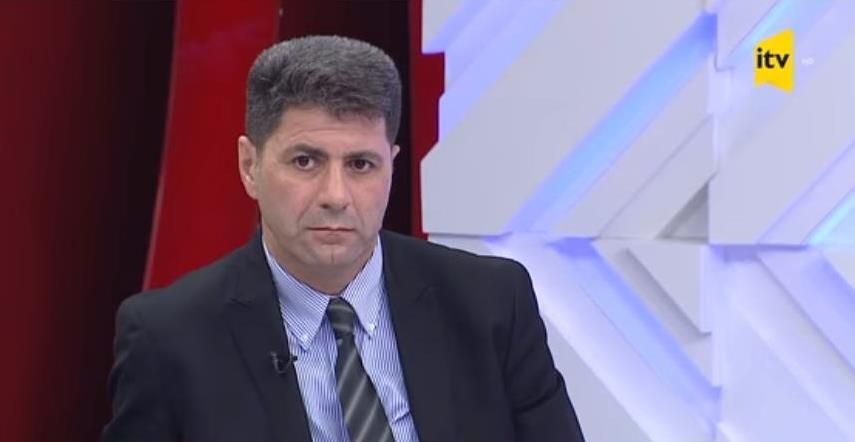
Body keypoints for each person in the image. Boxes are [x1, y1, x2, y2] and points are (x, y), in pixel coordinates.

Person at [101, 35, 585, 442]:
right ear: (250, 166)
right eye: (305, 161)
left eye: (360, 165)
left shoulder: (492, 303)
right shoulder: (168, 339)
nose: (335, 196)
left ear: (392, 167)